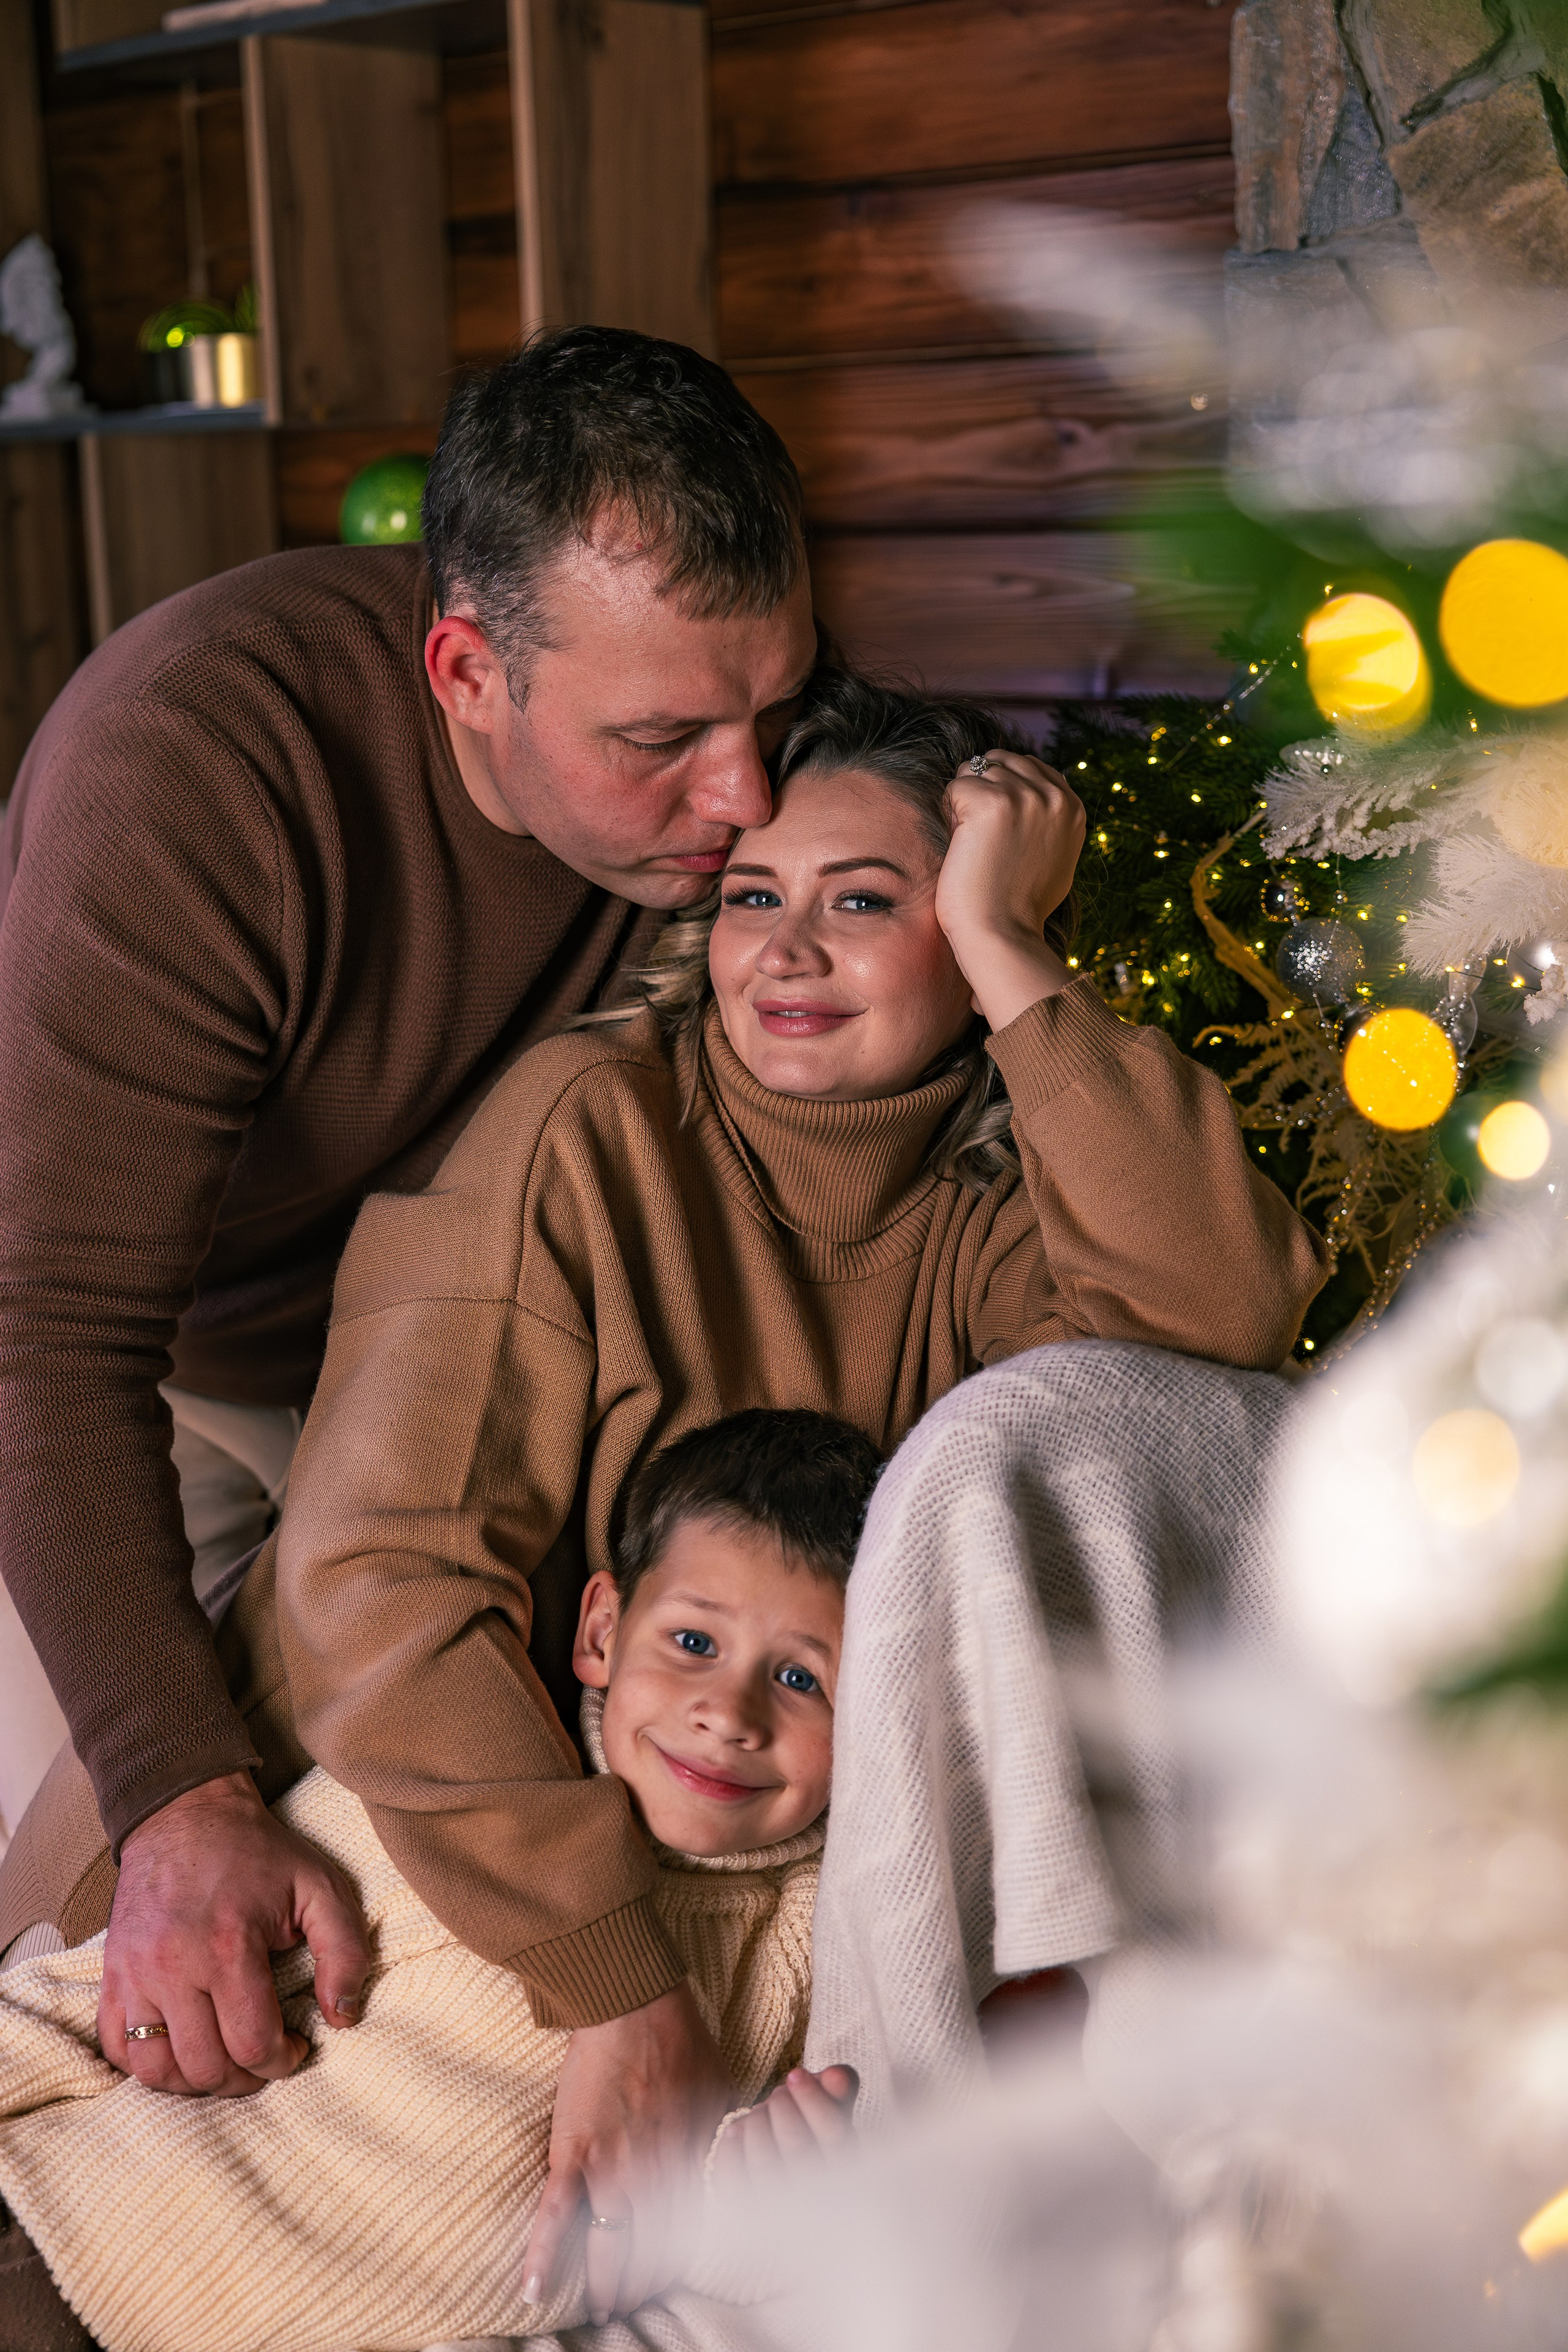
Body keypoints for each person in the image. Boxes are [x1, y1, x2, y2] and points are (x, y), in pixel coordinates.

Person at [243, 671, 1321, 2315]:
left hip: (740, 1916)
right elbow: (378, 1588)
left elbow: (1224, 1317)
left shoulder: (988, 1222)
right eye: (754, 898)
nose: (787, 952)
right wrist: (618, 1991)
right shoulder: (587, 1130)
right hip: (424, 1836)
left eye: (869, 903)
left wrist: (1015, 949)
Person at [0, 327, 816, 2188]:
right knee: (127, 1922)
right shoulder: (201, 772)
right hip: (141, 1356)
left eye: (774, 705)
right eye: (664, 742)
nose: (749, 797)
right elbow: (52, 1340)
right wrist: (179, 1800)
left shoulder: (726, 728)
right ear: (467, 673)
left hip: (412, 1345)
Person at [0, 1407, 872, 2350]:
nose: (728, 1714)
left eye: (800, 1680)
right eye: (695, 1644)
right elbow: (104, 1987)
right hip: (66, 2237)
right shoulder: (462, 1789)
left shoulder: (808, 1948)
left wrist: (765, 2199)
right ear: (604, 1634)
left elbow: (679, 2255)